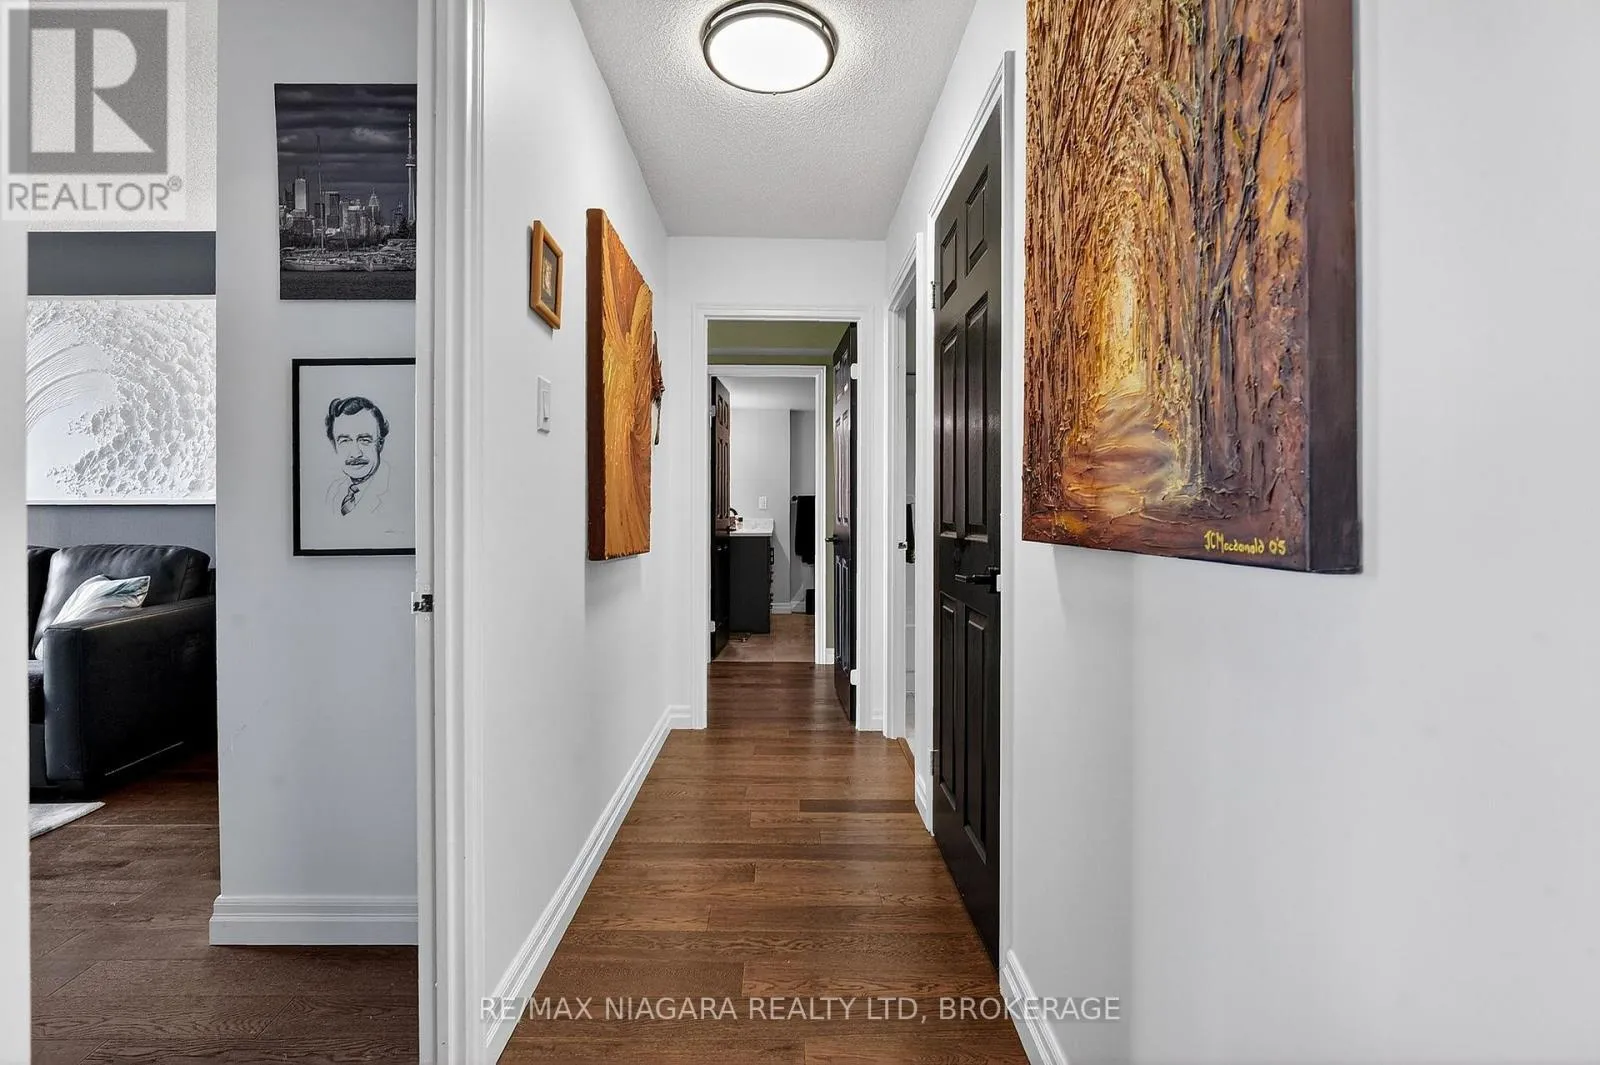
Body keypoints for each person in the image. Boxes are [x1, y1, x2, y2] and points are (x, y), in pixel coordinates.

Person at [323, 396, 392, 518]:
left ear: (380, 443)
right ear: (334, 445)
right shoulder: (333, 491)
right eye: (345, 441)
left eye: (364, 440)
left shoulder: (395, 490)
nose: (355, 453)